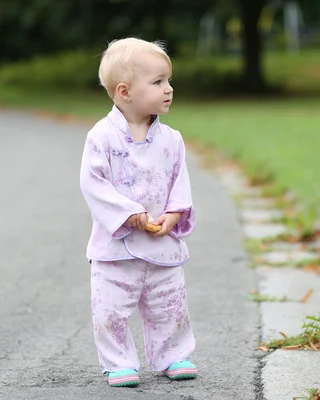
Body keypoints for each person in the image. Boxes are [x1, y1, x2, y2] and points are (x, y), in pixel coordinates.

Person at [79, 37, 197, 388]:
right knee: (110, 310)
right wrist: (129, 214)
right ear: (124, 92)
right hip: (116, 247)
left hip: (161, 240)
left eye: (169, 81)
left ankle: (173, 355)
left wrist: (174, 215)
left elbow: (180, 182)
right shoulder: (101, 137)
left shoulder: (171, 140)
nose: (169, 89)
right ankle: (118, 361)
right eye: (158, 82)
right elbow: (93, 184)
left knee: (169, 303)